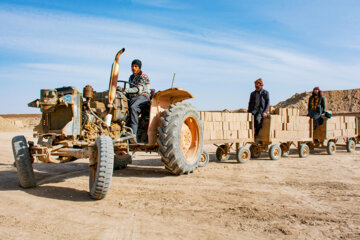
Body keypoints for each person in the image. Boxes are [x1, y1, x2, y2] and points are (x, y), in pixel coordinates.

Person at [124, 59, 151, 137]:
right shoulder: (131, 77)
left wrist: (125, 90)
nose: (133, 68)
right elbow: (130, 91)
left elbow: (138, 90)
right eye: (132, 66)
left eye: (136, 66)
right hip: (133, 98)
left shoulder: (143, 76)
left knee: (133, 107)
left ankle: (133, 134)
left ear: (139, 67)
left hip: (143, 96)